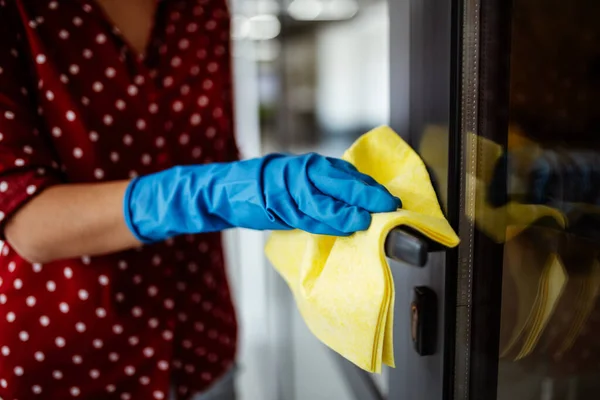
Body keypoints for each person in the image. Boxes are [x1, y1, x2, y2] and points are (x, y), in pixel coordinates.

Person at [0, 1, 401, 399]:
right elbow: (29, 222)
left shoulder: (203, 10)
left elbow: (215, 153)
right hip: (72, 364)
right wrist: (219, 191)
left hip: (203, 347)